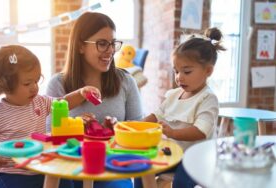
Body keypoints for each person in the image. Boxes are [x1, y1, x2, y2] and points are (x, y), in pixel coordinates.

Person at [0, 45, 101, 188]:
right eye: (27, 83)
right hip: (11, 173)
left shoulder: (40, 102)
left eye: (36, 80)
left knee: (66, 183)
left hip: (40, 167)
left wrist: (81, 93)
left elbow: (62, 103)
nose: (34, 87)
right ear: (6, 84)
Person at [45, 12, 142, 188]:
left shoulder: (126, 81)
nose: (111, 50)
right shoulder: (58, 84)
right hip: (70, 168)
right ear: (81, 46)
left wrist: (116, 129)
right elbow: (49, 135)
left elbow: (137, 130)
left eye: (113, 44)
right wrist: (75, 128)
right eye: (102, 44)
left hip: (111, 168)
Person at [134, 27, 226, 188]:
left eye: (187, 71)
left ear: (208, 71)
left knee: (181, 182)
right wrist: (136, 127)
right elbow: (156, 115)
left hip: (197, 157)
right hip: (173, 153)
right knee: (142, 169)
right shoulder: (174, 95)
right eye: (176, 71)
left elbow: (200, 131)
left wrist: (172, 132)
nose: (179, 77)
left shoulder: (207, 99)